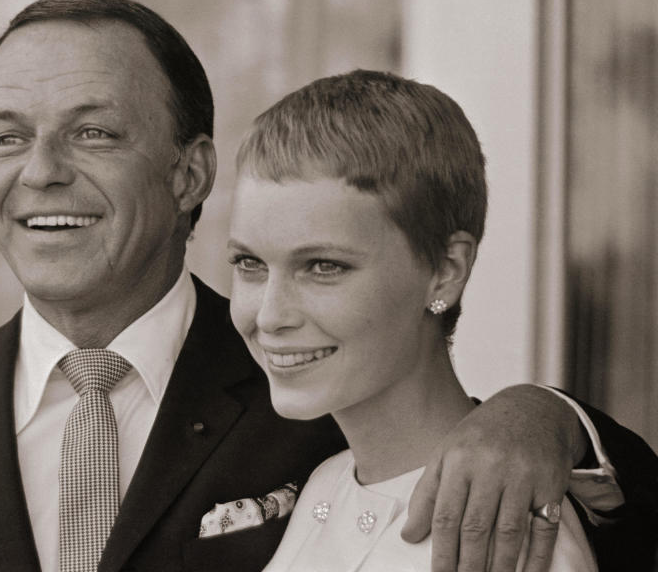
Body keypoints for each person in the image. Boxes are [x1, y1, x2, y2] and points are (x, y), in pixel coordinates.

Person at [0, 0, 657, 572]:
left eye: (93, 134)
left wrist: (549, 417)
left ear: (190, 175)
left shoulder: (321, 402)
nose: (40, 172)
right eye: (6, 136)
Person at [227, 70, 658, 571]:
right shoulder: (326, 481)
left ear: (444, 272)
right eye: (249, 263)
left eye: (325, 267)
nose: (270, 315)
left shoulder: (507, 536)